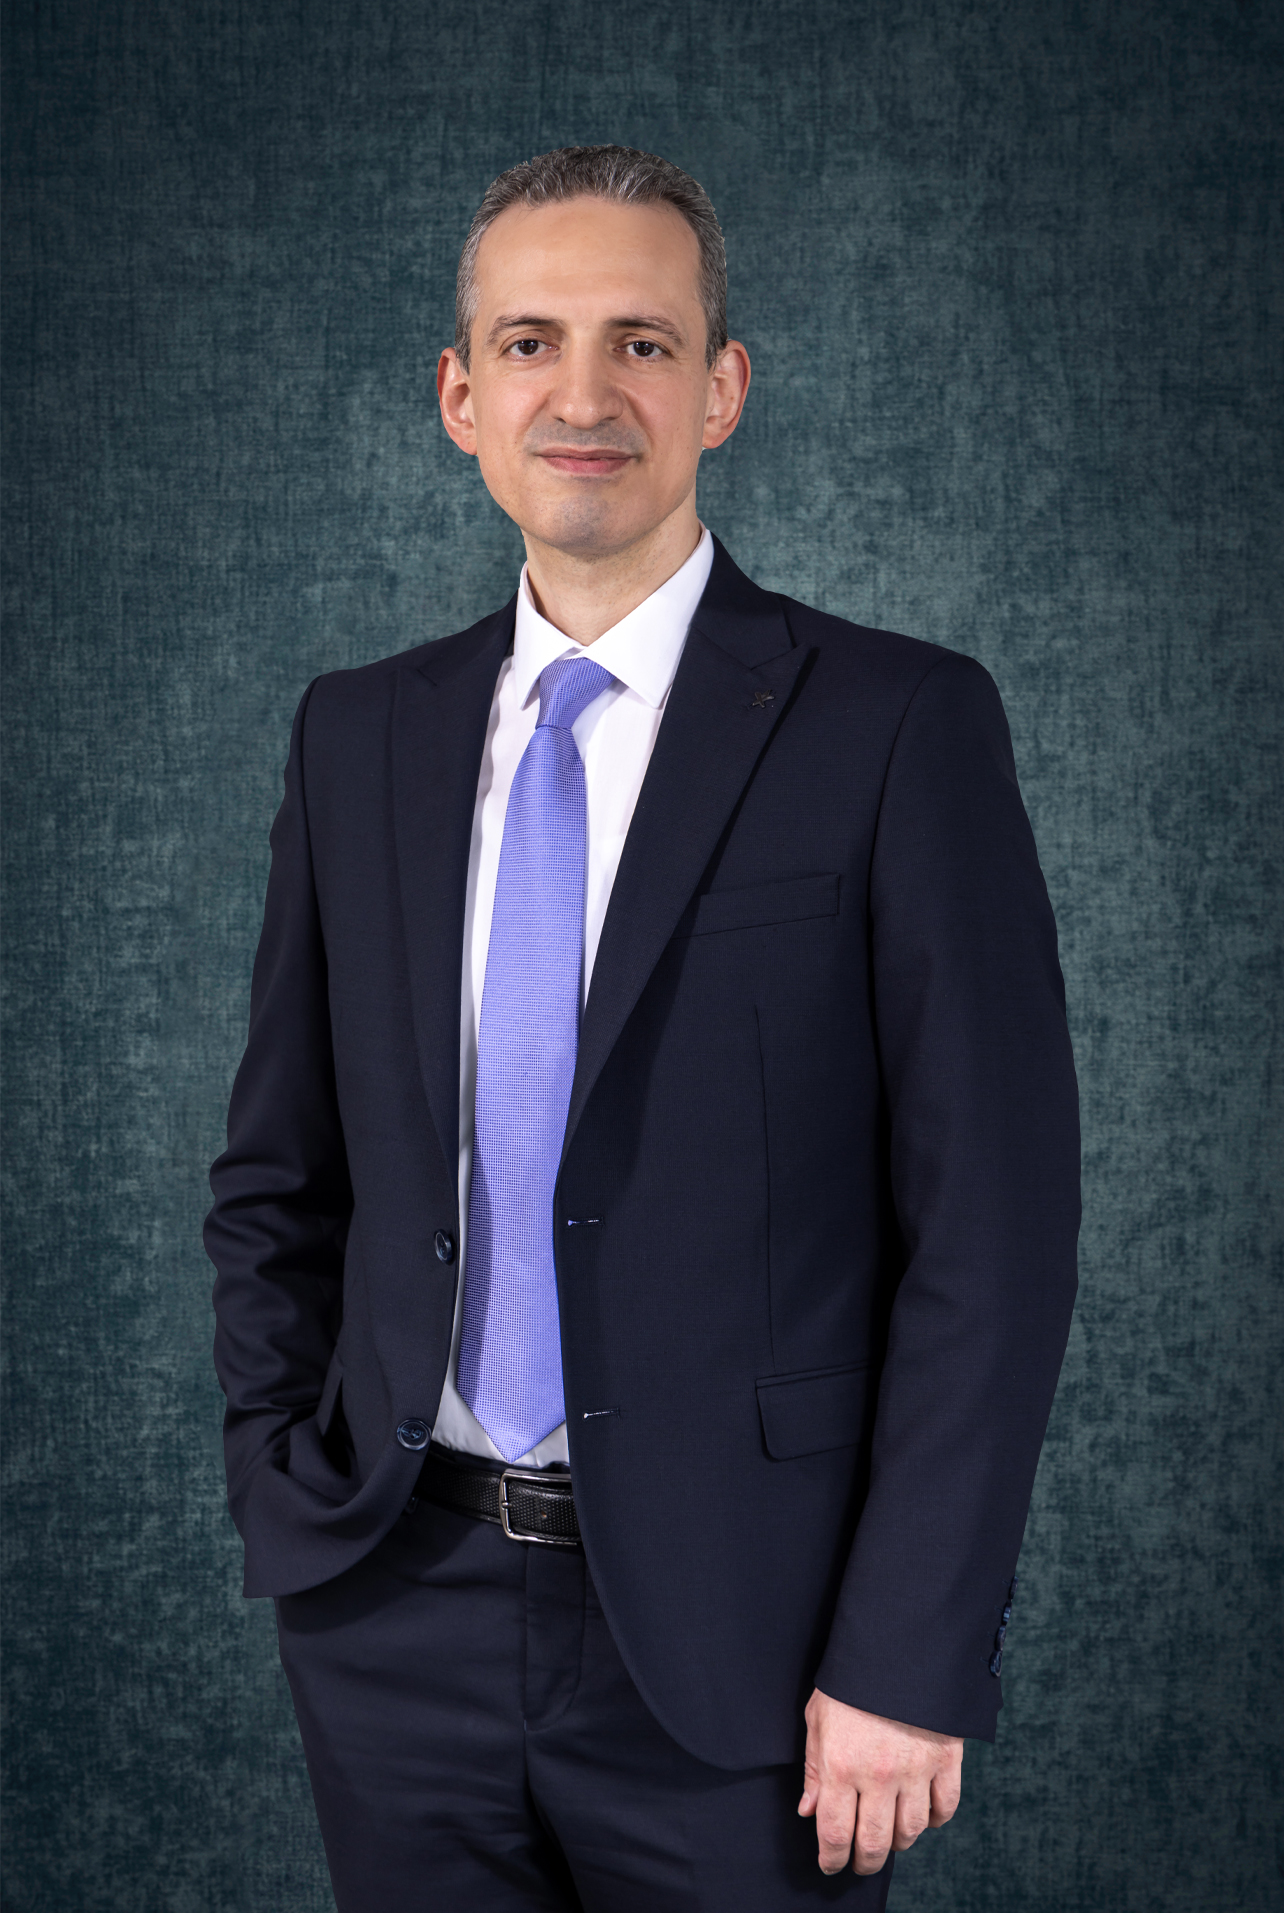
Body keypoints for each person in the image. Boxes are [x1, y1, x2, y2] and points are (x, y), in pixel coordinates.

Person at [205, 145, 1080, 1912]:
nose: (585, 395)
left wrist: (909, 1650)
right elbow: (281, 1174)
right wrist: (285, 1489)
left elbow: (991, 1231)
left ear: (723, 388)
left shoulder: (898, 724)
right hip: (393, 1610)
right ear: (461, 397)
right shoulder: (357, 735)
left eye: (644, 343)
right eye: (530, 342)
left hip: (759, 1645)